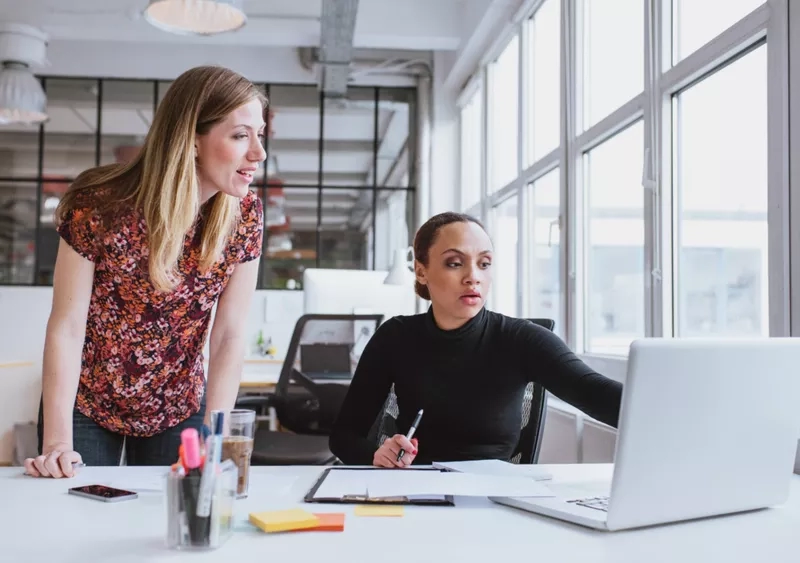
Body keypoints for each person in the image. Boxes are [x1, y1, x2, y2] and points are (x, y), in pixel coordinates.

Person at [24, 66, 266, 478]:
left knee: (174, 527)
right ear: (191, 139)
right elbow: (67, 326)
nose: (258, 153)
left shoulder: (244, 217)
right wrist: (58, 442)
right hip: (87, 404)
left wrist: (216, 434)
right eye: (241, 135)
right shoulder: (98, 205)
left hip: (179, 406)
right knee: (71, 513)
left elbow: (229, 334)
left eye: (260, 135)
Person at [329, 212, 623, 468]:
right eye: (455, 263)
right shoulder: (395, 337)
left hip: (494, 503)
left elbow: (598, 394)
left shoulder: (523, 340)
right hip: (415, 493)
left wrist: (662, 409)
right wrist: (378, 454)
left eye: (484, 264)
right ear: (421, 271)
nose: (473, 277)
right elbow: (343, 437)